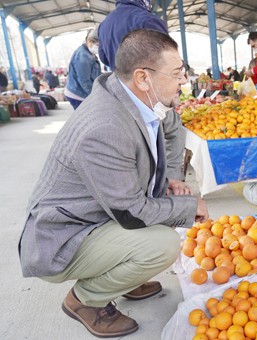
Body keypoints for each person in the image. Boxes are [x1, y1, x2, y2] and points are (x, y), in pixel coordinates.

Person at [18, 29, 209, 338]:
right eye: (176, 74)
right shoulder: (106, 126)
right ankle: (84, 301)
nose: (183, 81)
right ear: (143, 77)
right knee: (163, 245)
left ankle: (126, 278)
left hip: (99, 213)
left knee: (161, 224)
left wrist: (173, 178)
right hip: (64, 236)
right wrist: (188, 206)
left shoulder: (138, 98)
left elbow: (174, 132)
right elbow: (131, 212)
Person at [98, 0, 189, 192]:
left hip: (121, 90)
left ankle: (144, 184)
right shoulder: (146, 19)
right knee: (172, 129)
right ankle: (168, 182)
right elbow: (167, 56)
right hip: (146, 90)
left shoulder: (105, 24)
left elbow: (104, 58)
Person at [65, 29, 102, 109]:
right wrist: (94, 97)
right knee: (88, 118)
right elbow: (84, 81)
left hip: (80, 91)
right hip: (78, 94)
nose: (98, 48)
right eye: (97, 45)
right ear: (89, 41)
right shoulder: (83, 56)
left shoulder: (89, 54)